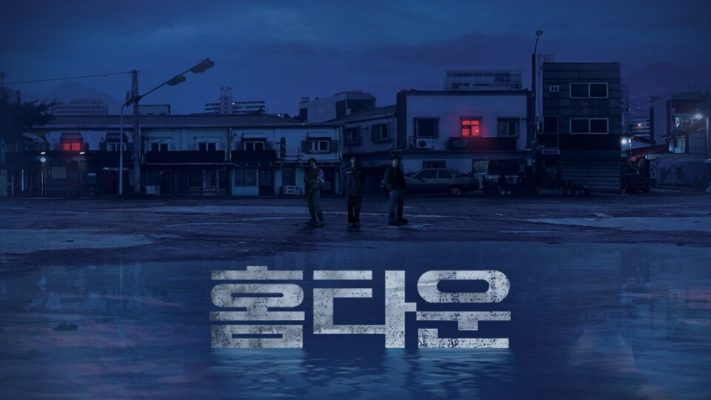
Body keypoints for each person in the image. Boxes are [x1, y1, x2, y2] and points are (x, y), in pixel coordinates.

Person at [381, 155, 408, 225]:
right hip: (394, 190)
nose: (396, 162)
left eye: (398, 161)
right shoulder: (389, 170)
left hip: (400, 190)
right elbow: (386, 181)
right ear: (392, 162)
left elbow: (402, 180)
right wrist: (392, 189)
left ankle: (399, 218)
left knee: (400, 205)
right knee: (393, 205)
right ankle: (391, 220)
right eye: (395, 161)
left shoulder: (399, 170)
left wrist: (404, 188)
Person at [343, 155, 364, 227]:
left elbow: (363, 180)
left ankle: (356, 220)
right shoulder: (346, 169)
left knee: (357, 208)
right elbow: (344, 180)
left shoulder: (361, 170)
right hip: (349, 191)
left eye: (355, 159)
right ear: (350, 160)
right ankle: (350, 221)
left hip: (358, 192)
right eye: (352, 159)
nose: (354, 161)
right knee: (350, 207)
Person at [304, 158, 325, 227]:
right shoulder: (309, 171)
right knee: (310, 205)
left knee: (316, 204)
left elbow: (319, 180)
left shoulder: (319, 171)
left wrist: (312, 183)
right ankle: (313, 219)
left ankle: (321, 220)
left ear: (315, 163)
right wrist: (311, 181)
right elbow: (305, 179)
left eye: (312, 163)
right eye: (310, 163)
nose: (311, 164)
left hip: (316, 189)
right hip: (308, 189)